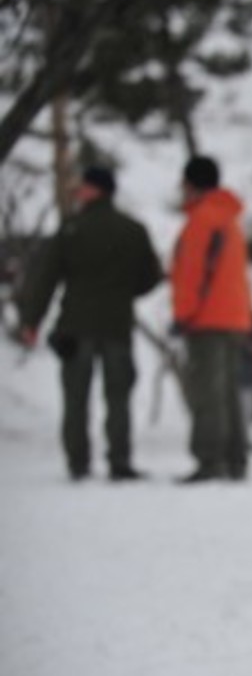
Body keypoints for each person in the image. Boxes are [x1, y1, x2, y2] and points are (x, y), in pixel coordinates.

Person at [17, 166, 162, 481]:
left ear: (95, 189)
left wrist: (31, 321)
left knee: (76, 399)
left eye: (81, 186)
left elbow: (46, 278)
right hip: (116, 325)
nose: (76, 190)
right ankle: (119, 461)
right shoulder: (133, 230)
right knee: (119, 398)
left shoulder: (72, 228)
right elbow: (151, 277)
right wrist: (124, 292)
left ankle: (78, 462)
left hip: (76, 325)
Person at [170, 155, 252, 483]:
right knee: (229, 392)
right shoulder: (230, 219)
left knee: (207, 393)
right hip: (235, 316)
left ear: (191, 184)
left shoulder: (202, 220)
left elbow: (191, 273)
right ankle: (236, 458)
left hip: (207, 319)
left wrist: (182, 314)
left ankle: (210, 459)